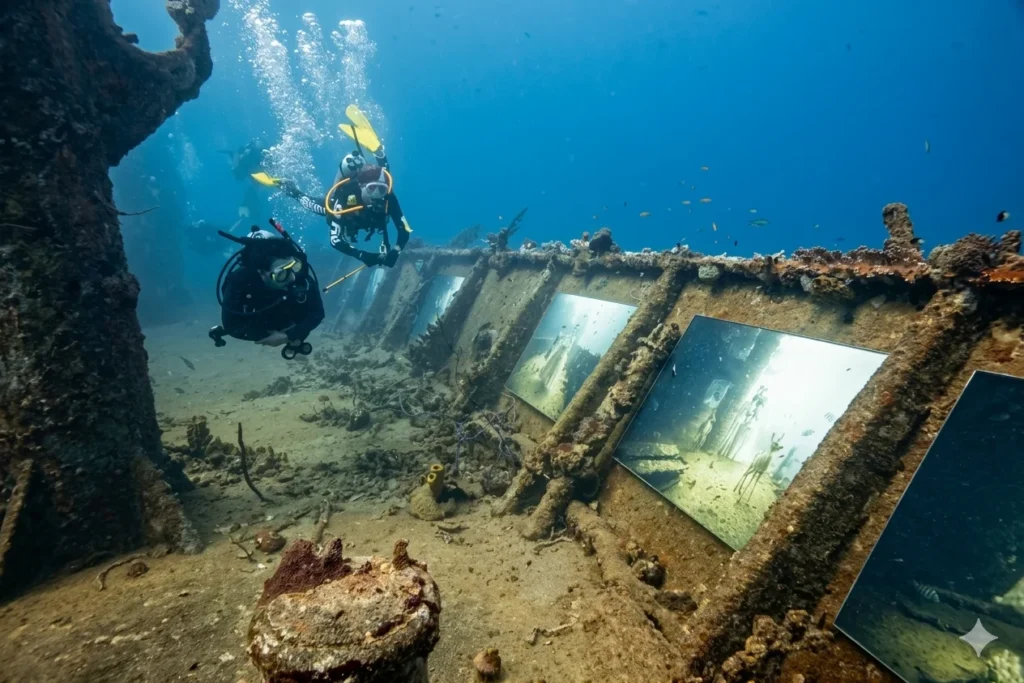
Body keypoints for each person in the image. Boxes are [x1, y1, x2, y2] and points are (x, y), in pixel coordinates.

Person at [278, 144, 411, 268]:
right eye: (371, 189)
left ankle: (380, 155)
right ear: (361, 187)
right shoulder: (344, 200)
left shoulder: (388, 198)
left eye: (381, 189)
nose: (377, 195)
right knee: (311, 204)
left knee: (385, 174)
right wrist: (361, 255)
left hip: (362, 218)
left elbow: (404, 229)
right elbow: (335, 240)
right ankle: (293, 191)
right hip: (344, 212)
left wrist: (396, 250)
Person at [208, 220, 324, 359]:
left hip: (289, 321)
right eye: (281, 274)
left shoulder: (300, 277)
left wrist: (289, 335)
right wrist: (267, 335)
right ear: (261, 273)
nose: (292, 278)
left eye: (295, 267)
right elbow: (232, 327)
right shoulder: (239, 281)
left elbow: (317, 313)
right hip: (259, 322)